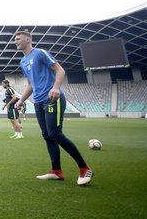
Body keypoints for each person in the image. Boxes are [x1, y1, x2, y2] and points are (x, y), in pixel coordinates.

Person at [13, 31, 93, 186]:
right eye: (15, 39)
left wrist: (56, 87)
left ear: (28, 39)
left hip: (52, 99)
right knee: (47, 136)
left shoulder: (40, 53)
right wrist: (21, 100)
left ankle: (85, 168)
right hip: (38, 102)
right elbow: (30, 84)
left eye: (18, 39)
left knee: (55, 133)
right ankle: (56, 171)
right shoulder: (23, 62)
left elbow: (60, 70)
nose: (16, 41)